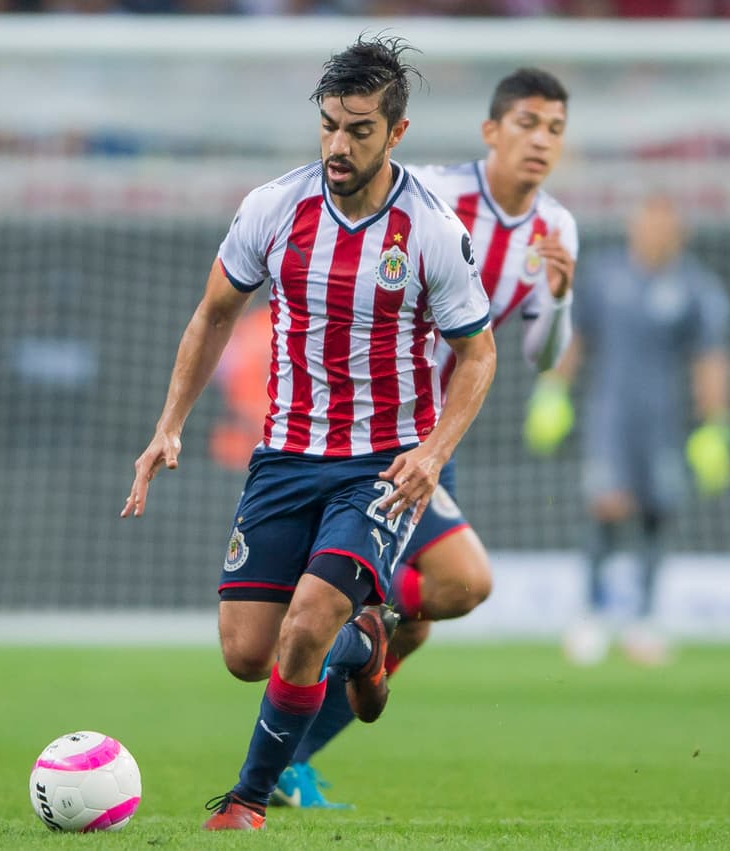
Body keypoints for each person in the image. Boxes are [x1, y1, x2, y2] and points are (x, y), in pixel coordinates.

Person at [121, 35, 496, 831]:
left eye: (359, 128)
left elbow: (478, 354)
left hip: (379, 467)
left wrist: (432, 454)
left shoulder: (431, 229)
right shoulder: (272, 207)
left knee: (304, 625)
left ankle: (247, 801)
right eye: (328, 124)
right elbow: (214, 313)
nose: (337, 144)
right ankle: (364, 645)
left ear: (396, 134)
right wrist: (169, 425)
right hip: (285, 458)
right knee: (246, 653)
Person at [273, 67, 577, 810]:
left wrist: (561, 301)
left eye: (556, 130)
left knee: (413, 630)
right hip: (379, 429)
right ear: (492, 131)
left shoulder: (556, 229)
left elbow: (541, 355)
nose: (542, 140)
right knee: (462, 582)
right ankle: (342, 615)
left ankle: (287, 757)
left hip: (437, 438)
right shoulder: (433, 197)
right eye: (529, 123)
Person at [526, 194, 730, 666]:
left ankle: (645, 617)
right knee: (608, 506)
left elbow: (710, 357)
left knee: (659, 511)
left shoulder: (696, 287)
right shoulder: (605, 276)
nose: (653, 234)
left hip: (662, 419)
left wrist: (715, 424)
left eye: (663, 226)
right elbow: (576, 335)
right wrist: (553, 391)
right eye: (646, 224)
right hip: (611, 415)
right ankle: (592, 613)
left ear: (679, 234)